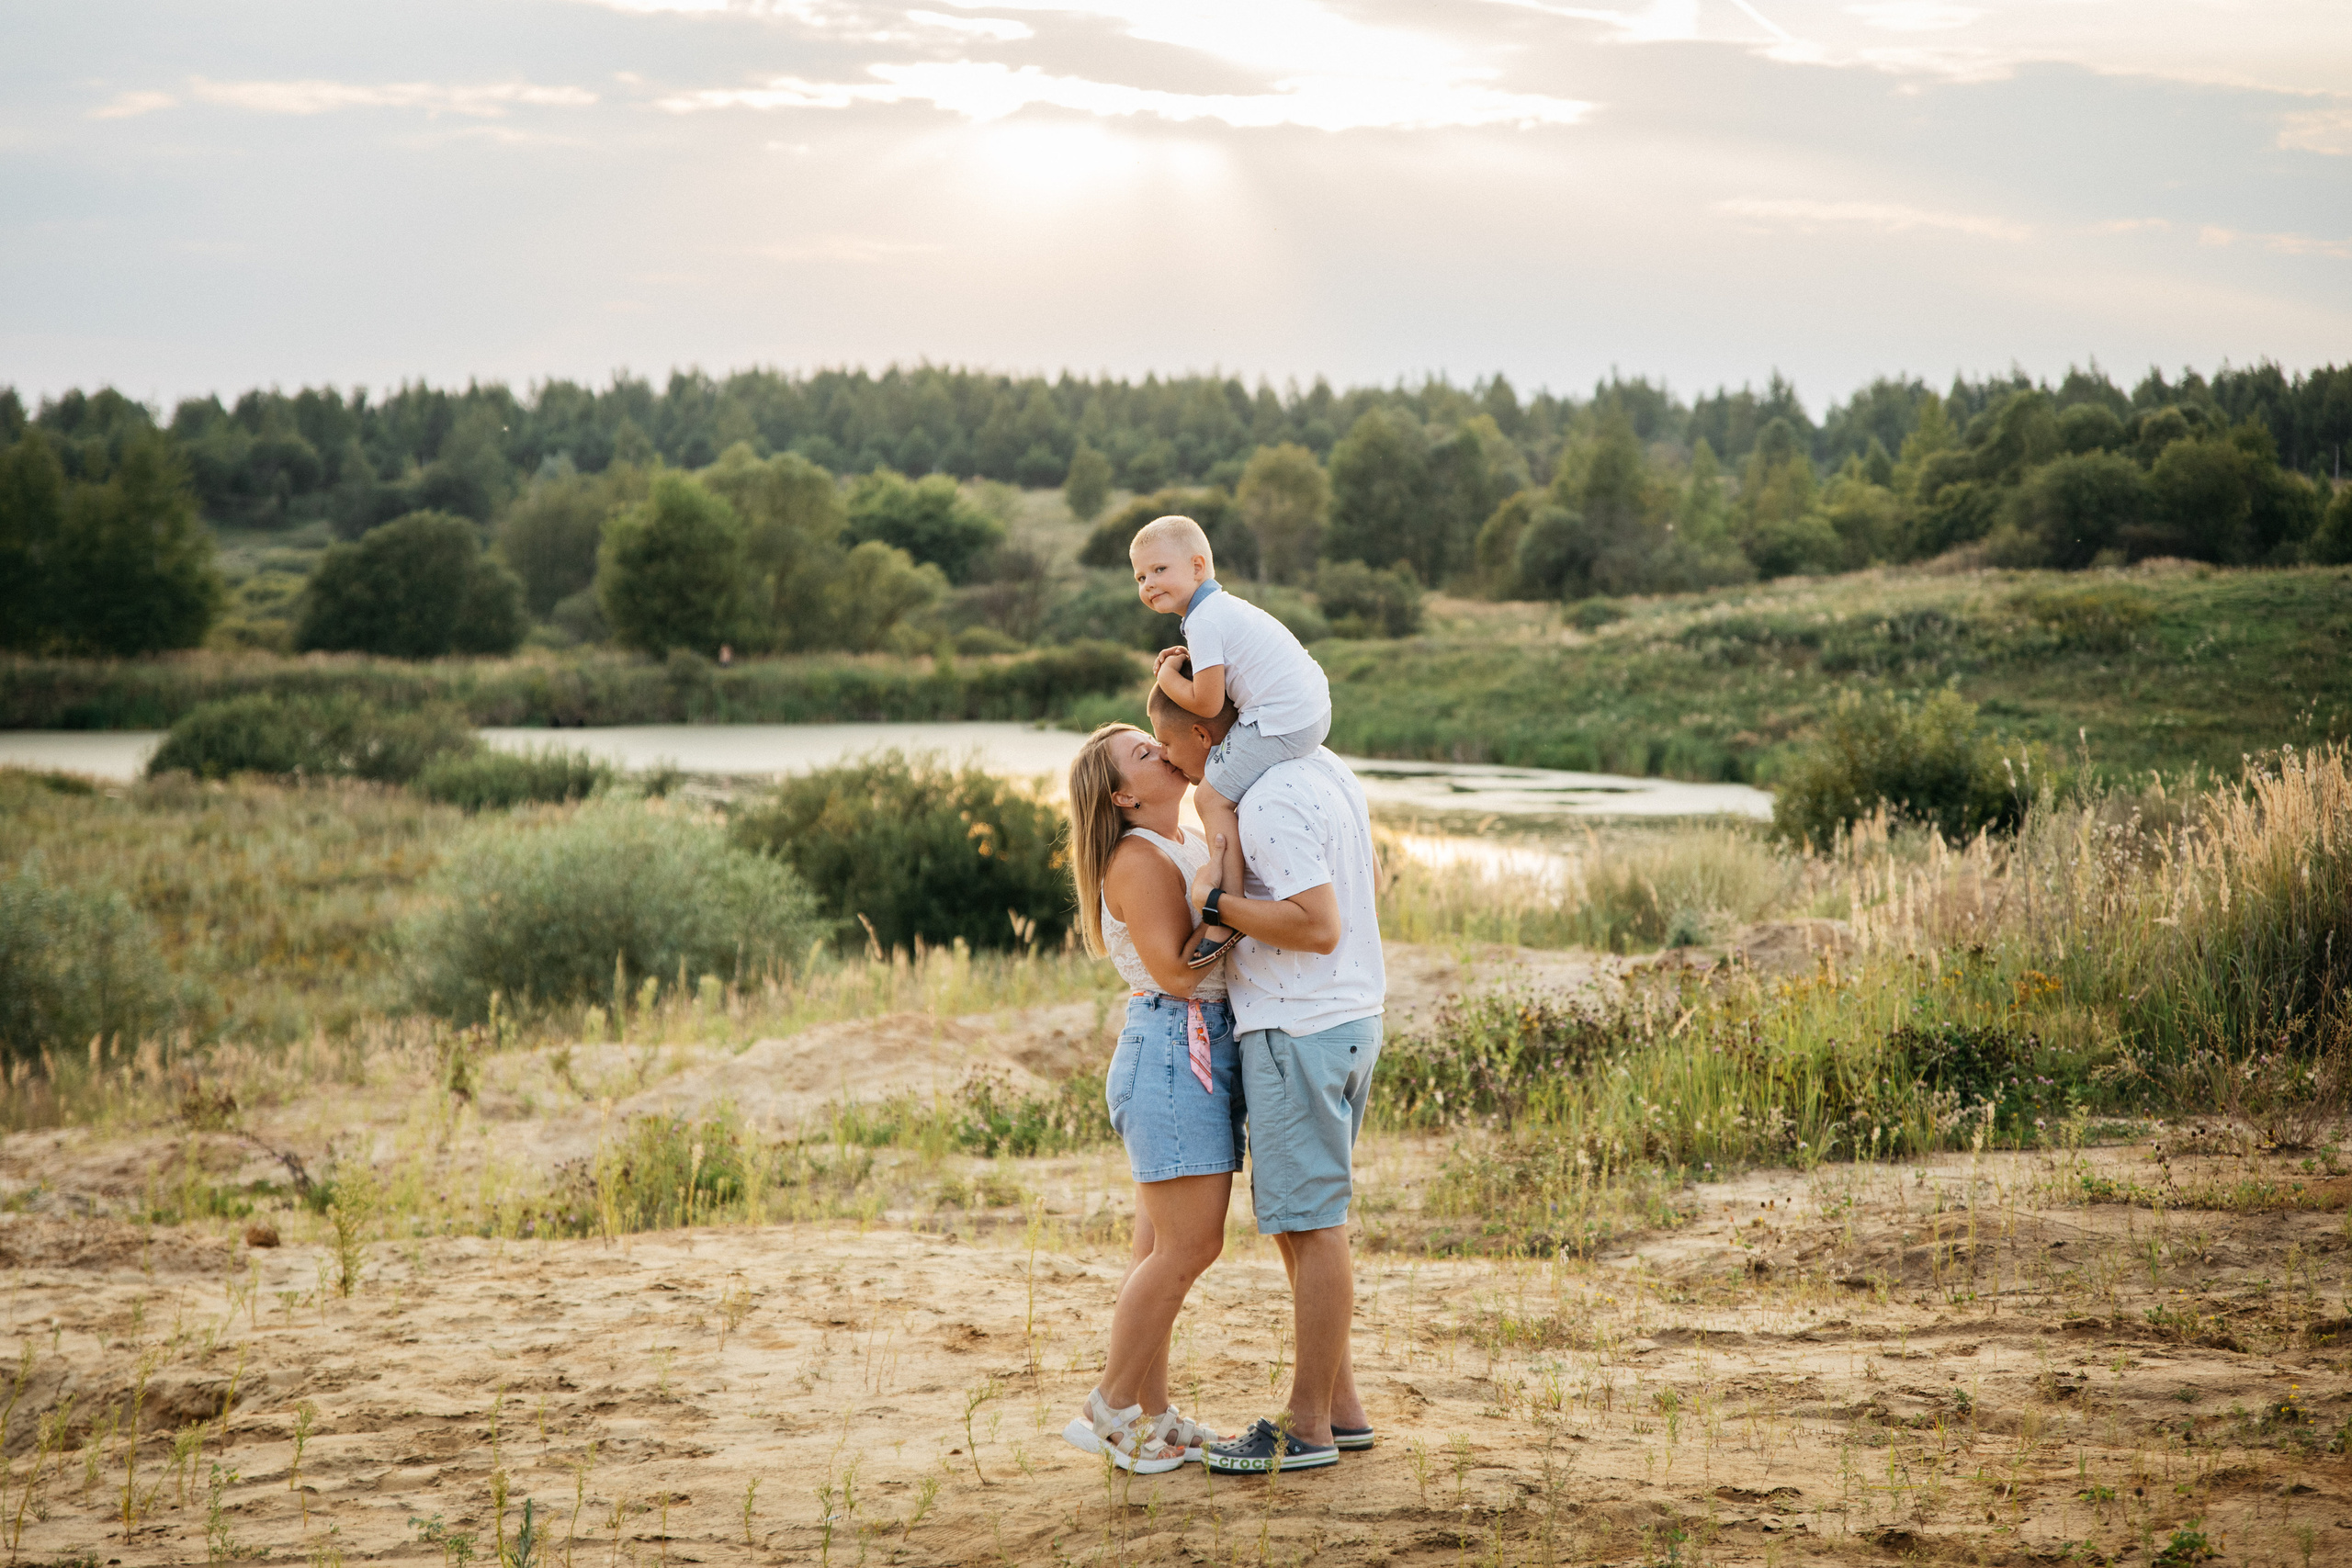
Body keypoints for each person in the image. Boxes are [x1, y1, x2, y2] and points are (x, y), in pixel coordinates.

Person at [1147, 682, 1385, 1475]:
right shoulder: (1325, 768)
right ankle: (1341, 1409)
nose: (1176, 766)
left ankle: (1307, 1426)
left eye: (1173, 743)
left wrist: (1215, 899)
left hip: (1299, 1026)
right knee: (1300, 1218)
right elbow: (1361, 882)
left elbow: (1318, 926)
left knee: (1313, 1224)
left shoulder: (1269, 799)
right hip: (1347, 1018)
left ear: (1209, 731)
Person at [1057, 722, 1241, 1473]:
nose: (1162, 749)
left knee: (1161, 1247)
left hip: (1195, 1047)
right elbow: (1176, 970)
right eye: (1143, 752)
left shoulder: (1184, 836)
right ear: (1123, 795)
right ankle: (1105, 1407)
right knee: (1193, 1245)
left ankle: (1153, 1412)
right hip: (1174, 1047)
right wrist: (1235, 907)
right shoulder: (1135, 857)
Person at [1130, 515, 1331, 969]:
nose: (1148, 584)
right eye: (1140, 577)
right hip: (1308, 709)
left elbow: (1205, 703)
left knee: (1211, 796)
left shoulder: (1203, 621)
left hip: (1284, 720)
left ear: (1198, 566)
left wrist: (1163, 675)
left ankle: (1225, 911)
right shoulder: (1218, 611)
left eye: (1160, 570)